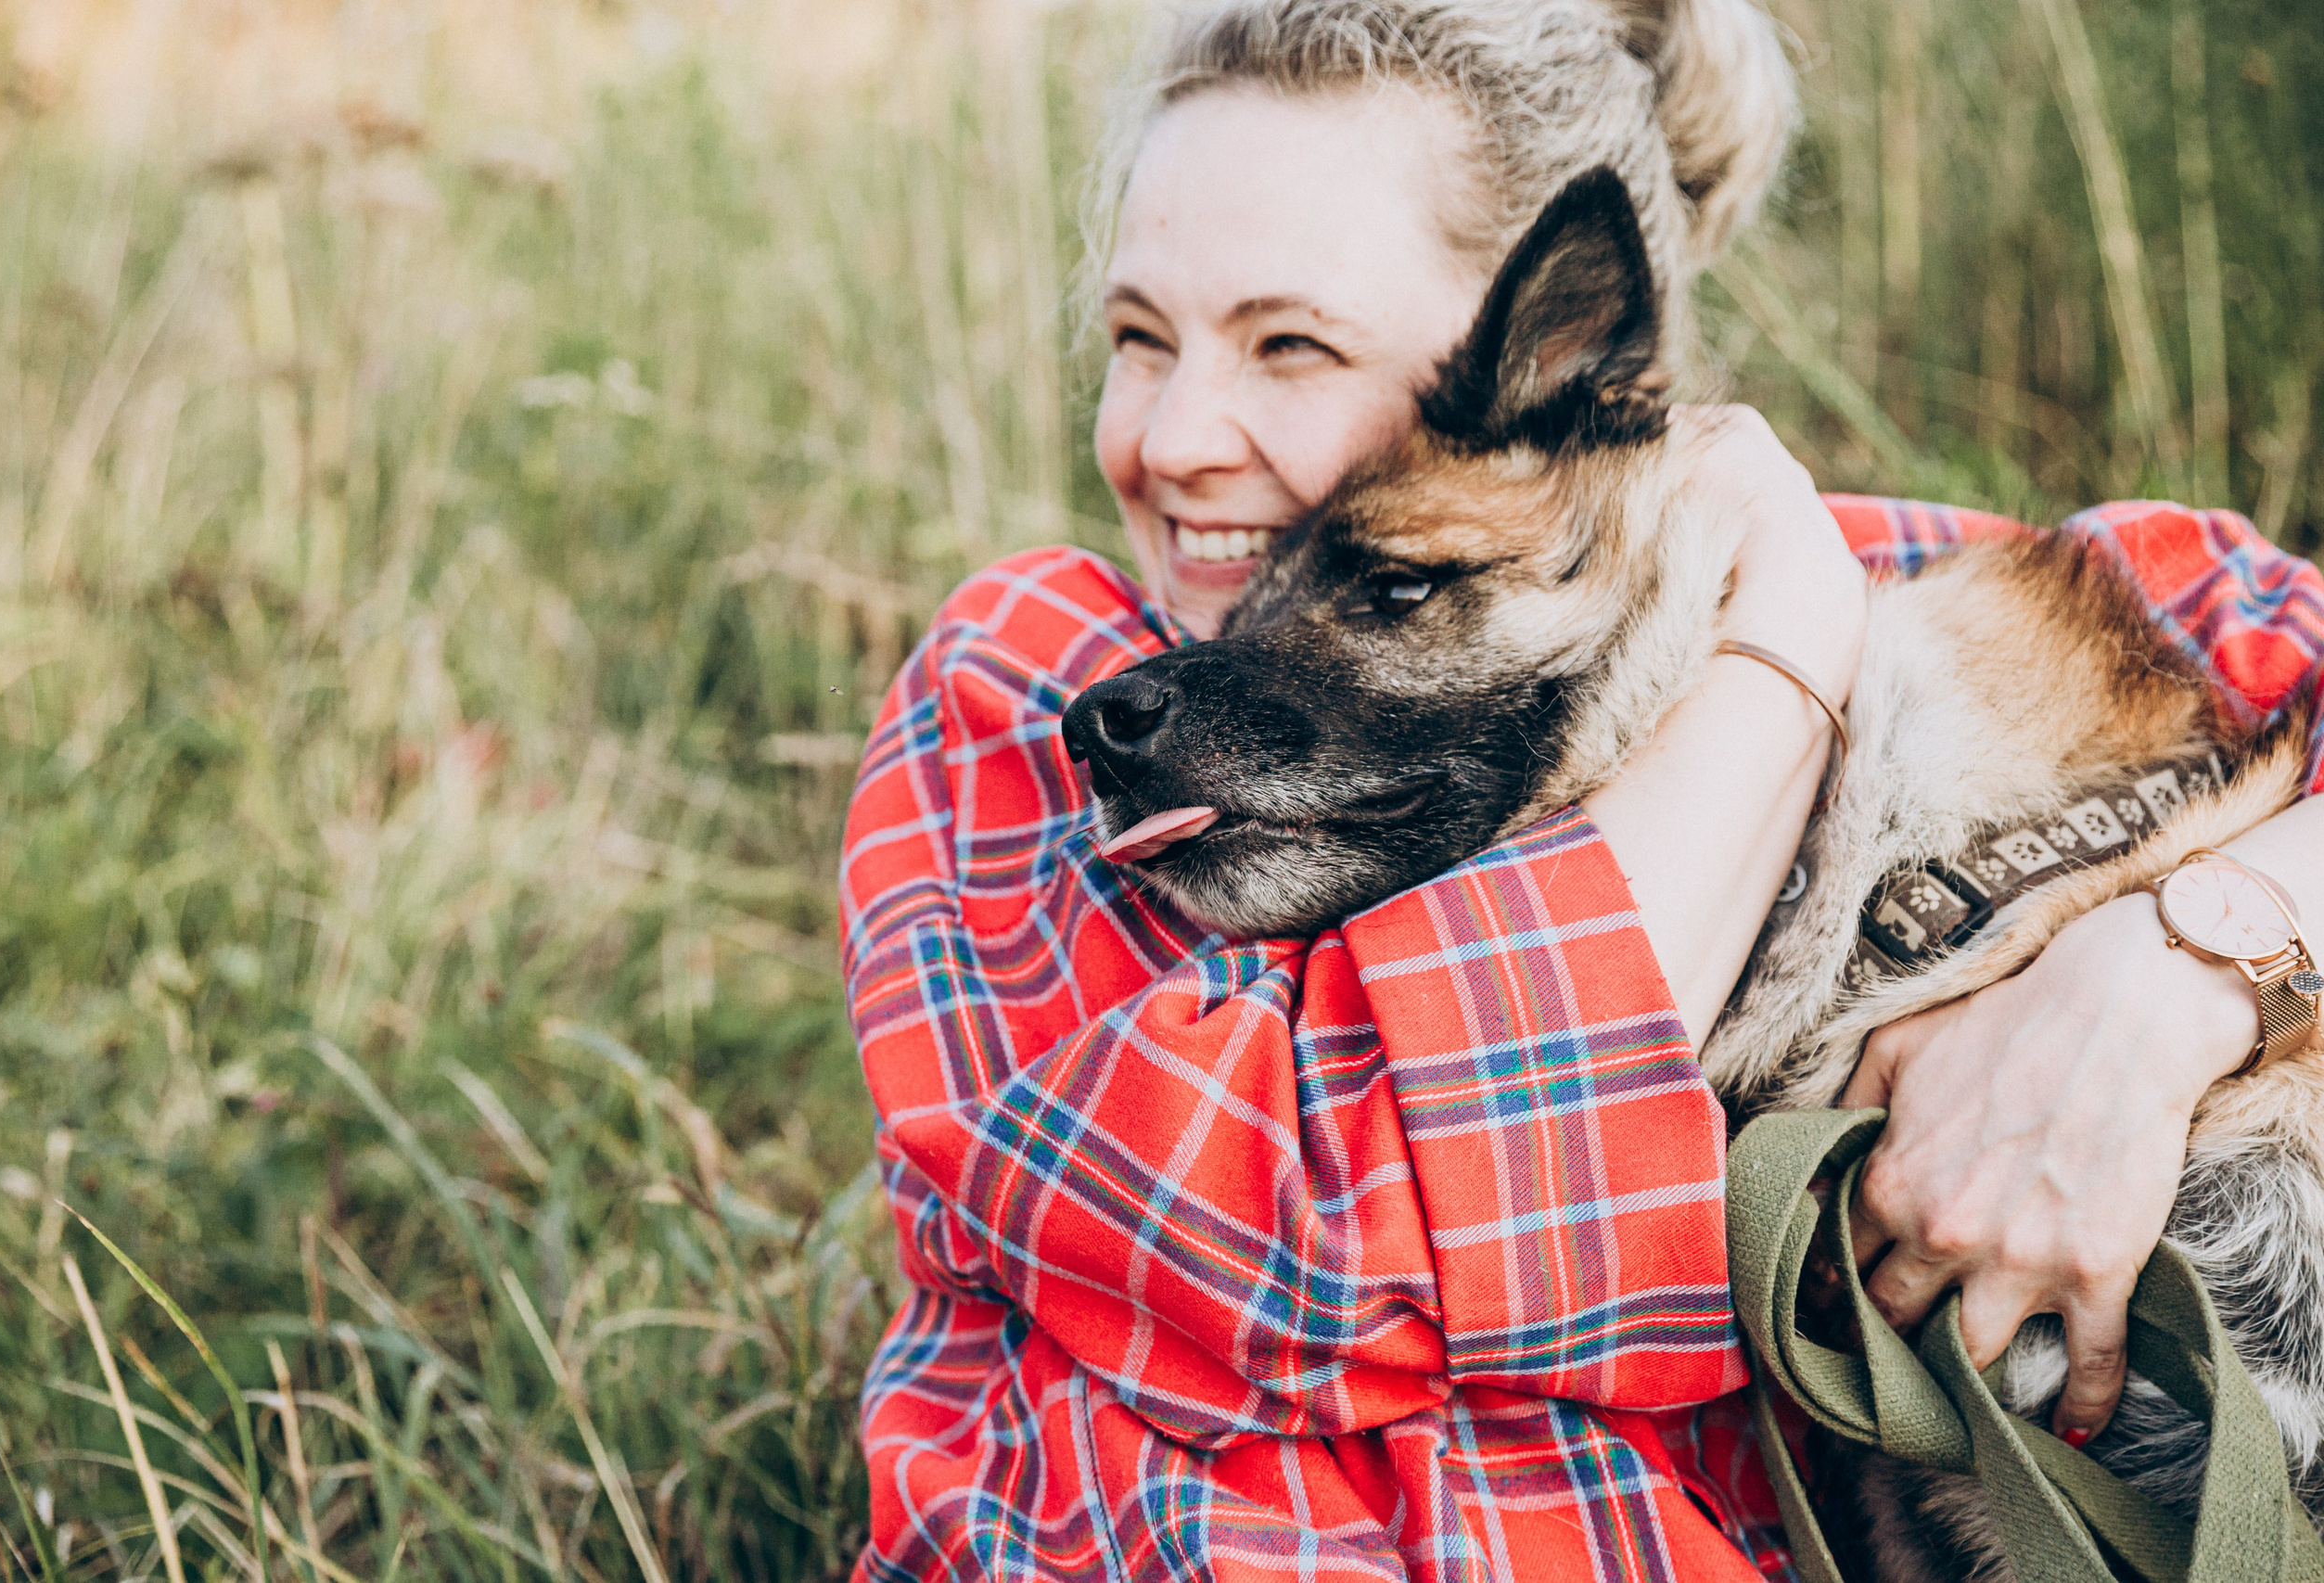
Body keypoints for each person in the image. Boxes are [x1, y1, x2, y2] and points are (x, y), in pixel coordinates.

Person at [838, 0, 2324, 1577]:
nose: (1177, 435)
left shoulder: (2031, 582)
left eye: (1291, 343)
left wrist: (2172, 969)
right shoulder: (1036, 690)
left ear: (1555, 346)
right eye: (1138, 339)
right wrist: (1778, 674)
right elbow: (1292, 1250)